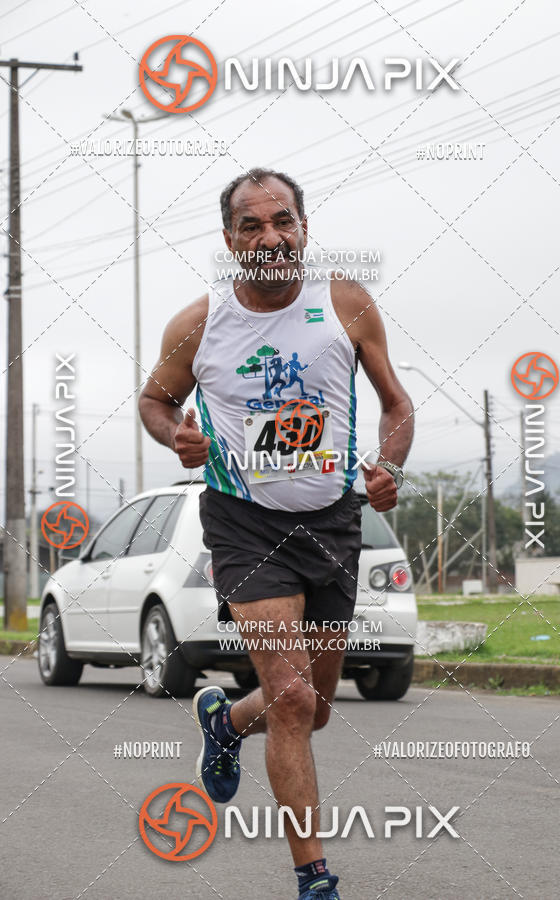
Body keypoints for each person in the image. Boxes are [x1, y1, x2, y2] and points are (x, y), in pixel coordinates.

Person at [138, 167, 414, 900]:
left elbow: (397, 404)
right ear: (230, 241)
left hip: (332, 521)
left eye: (282, 221)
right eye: (252, 226)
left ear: (302, 227)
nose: (271, 237)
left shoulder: (347, 304)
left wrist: (387, 464)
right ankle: (313, 878)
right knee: (291, 698)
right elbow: (155, 399)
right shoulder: (198, 324)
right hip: (244, 521)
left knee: (313, 708)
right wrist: (178, 436)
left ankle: (226, 721)